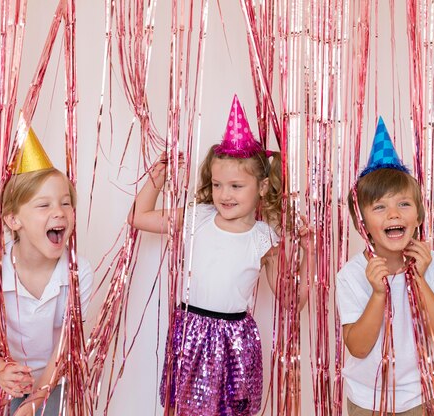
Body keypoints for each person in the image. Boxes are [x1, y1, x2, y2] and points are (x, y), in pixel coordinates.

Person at [127, 95, 313, 415]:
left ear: (263, 186)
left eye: (236, 186)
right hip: (190, 331)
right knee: (181, 406)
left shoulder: (264, 239)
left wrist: (306, 254)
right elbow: (139, 217)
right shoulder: (195, 218)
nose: (224, 194)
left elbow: (290, 300)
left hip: (234, 339)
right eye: (217, 184)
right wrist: (156, 181)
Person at [336, 117, 434, 416]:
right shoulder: (351, 275)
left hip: (427, 394)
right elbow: (359, 348)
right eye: (379, 207)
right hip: (368, 399)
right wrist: (379, 294)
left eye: (403, 204)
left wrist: (419, 278)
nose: (393, 213)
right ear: (361, 224)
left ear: (418, 217)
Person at [0, 125, 94, 416]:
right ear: (13, 219)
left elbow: (65, 345)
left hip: (54, 379)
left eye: (66, 203)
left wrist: (37, 399)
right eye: (44, 205)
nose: (59, 212)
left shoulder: (78, 273)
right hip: (3, 382)